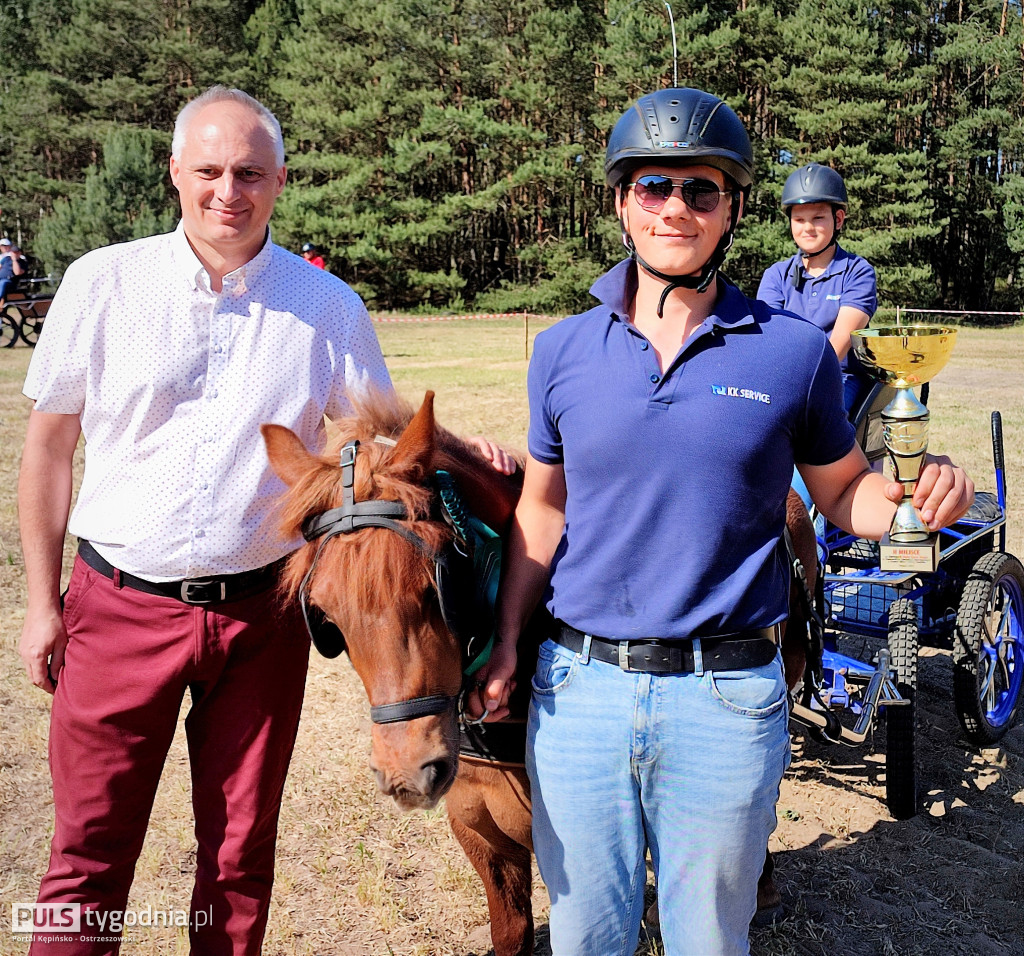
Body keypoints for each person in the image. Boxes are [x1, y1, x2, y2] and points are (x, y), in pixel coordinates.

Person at [468, 88, 973, 956]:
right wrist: (510, 638)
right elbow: (543, 509)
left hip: (727, 697)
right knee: (587, 936)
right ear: (623, 201)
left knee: (708, 940)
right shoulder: (559, 351)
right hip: (578, 689)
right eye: (655, 186)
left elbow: (845, 490)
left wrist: (916, 490)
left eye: (702, 190)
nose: (677, 208)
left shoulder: (793, 351)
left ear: (733, 207)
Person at [17, 84, 509, 956]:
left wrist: (475, 455)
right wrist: (41, 603)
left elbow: (381, 439)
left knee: (240, 856)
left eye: (249, 171)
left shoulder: (327, 308)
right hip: (119, 603)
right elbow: (48, 451)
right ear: (176, 172)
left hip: (259, 620)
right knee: (86, 853)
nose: (227, 190)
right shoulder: (103, 284)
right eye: (208, 169)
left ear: (280, 179)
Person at [757, 163, 876, 415]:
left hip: (840, 377)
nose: (807, 228)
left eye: (818, 218)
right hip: (787, 376)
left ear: (839, 219)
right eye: (799, 219)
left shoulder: (857, 271)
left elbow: (841, 342)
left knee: (814, 422)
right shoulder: (776, 276)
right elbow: (771, 341)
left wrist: (803, 387)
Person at [0, 235, 27, 302]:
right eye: (13, 252)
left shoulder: (21, 261)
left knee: (3, 283)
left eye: (16, 252)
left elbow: (17, 272)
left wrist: (14, 260)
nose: (14, 254)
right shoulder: (5, 259)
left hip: (10, 282)